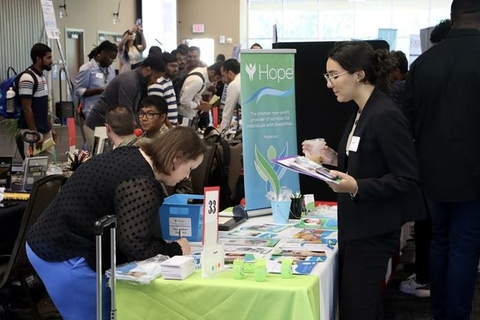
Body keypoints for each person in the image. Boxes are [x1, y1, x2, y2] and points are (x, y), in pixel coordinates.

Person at [25, 126, 206, 320]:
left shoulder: (132, 154)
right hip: (64, 253)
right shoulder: (141, 184)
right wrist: (175, 249)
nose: (187, 176)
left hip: (53, 238)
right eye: (190, 169)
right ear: (176, 159)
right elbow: (135, 244)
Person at [303, 41, 423, 319]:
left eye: (335, 75)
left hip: (373, 230)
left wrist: (356, 186)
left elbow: (406, 178)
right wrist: (332, 159)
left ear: (359, 74)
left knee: (359, 308)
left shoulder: (384, 114)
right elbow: (367, 159)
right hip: (356, 226)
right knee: (360, 305)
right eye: (327, 76)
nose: (330, 84)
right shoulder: (362, 110)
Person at [403, 1, 480, 318]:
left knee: (439, 241)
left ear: (453, 18)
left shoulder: (423, 63)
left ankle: (439, 311)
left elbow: (407, 121)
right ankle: (457, 314)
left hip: (431, 172)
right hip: (474, 174)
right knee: (465, 248)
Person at [84, 56, 165, 148]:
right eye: (155, 77)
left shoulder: (139, 82)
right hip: (98, 127)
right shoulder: (129, 82)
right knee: (101, 159)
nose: (155, 82)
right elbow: (126, 113)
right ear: (148, 70)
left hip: (112, 127)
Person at [17, 43, 56, 160]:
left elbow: (44, 106)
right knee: (33, 165)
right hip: (31, 130)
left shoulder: (42, 77)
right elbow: (26, 108)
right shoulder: (27, 78)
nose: (51, 60)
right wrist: (35, 134)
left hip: (44, 128)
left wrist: (50, 128)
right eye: (48, 58)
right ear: (38, 59)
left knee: (51, 164)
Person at [74, 41, 118, 121]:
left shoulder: (111, 69)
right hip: (91, 110)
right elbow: (78, 91)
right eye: (110, 58)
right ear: (103, 53)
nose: (111, 62)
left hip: (108, 110)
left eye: (113, 60)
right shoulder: (87, 68)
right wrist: (99, 91)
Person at [177, 62, 223, 127]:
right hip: (184, 115)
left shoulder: (200, 71)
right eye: (217, 78)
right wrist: (200, 107)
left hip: (188, 114)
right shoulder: (198, 80)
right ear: (212, 72)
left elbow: (194, 94)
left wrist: (200, 102)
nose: (215, 81)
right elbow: (184, 101)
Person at [147, 52, 179, 127]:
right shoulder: (157, 83)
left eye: (176, 66)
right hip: (164, 128)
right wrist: (170, 127)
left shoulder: (168, 81)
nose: (175, 69)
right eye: (172, 66)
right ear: (163, 66)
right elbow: (157, 111)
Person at [219, 58, 241, 131]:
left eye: (223, 75)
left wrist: (222, 132)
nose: (223, 80)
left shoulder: (234, 84)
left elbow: (227, 113)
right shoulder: (245, 78)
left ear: (230, 73)